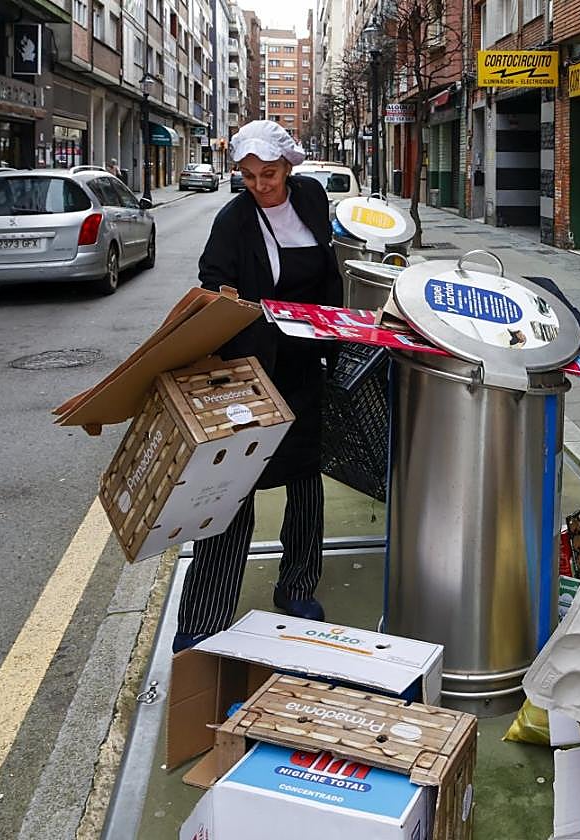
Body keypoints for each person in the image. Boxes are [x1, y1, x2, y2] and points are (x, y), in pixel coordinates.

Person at [172, 120, 343, 653]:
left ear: (288, 168)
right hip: (250, 367)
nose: (259, 185)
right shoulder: (233, 219)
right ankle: (206, 613)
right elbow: (210, 284)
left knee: (304, 477)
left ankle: (297, 586)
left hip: (305, 362)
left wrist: (331, 330)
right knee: (235, 484)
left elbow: (327, 268)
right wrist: (235, 305)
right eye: (248, 176)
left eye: (268, 174)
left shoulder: (311, 198)